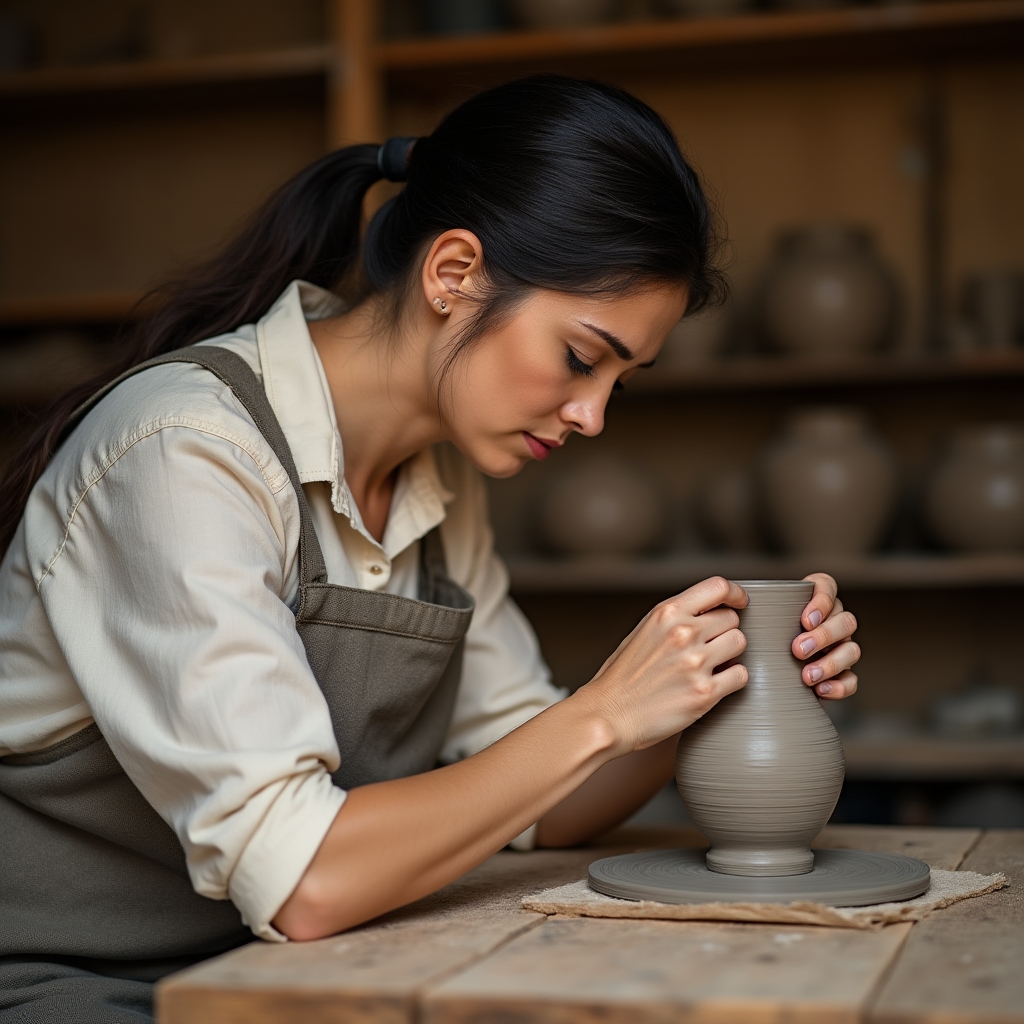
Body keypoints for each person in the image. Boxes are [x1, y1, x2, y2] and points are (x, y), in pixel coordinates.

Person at [0, 75, 859, 1022]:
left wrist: (716, 685)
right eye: (582, 357)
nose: (592, 415)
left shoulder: (439, 482)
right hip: (67, 985)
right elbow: (305, 881)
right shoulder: (185, 454)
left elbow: (536, 799)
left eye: (624, 378)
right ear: (454, 274)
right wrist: (607, 712)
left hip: (273, 978)